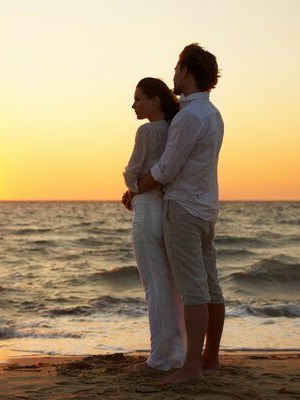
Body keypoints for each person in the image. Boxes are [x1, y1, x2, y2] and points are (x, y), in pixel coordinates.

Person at [124, 43, 225, 383]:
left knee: (192, 289)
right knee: (210, 286)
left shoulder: (189, 118)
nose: (173, 76)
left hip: (182, 207)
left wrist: (134, 189)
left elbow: (166, 169)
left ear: (186, 71)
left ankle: (191, 366)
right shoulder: (211, 114)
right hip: (207, 207)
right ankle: (210, 358)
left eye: (177, 69)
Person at [122, 78, 185, 372]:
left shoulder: (146, 131)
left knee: (155, 287)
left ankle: (160, 358)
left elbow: (132, 173)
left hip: (147, 210)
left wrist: (132, 188)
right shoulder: (174, 129)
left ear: (155, 100)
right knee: (170, 285)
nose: (133, 105)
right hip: (166, 209)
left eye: (138, 99)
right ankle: (176, 353)